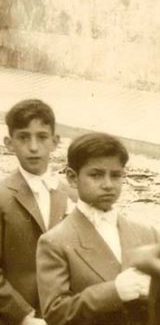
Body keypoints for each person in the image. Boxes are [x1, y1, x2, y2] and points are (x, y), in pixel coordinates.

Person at [37, 133, 159, 325]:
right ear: (72, 178)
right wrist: (114, 292)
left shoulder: (147, 233)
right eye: (96, 175)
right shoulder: (55, 241)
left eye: (116, 175)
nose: (108, 185)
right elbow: (55, 313)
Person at [0, 99, 72, 325]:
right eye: (24, 137)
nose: (33, 147)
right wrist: (23, 316)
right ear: (9, 143)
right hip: (11, 318)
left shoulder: (68, 194)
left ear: (55, 141)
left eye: (42, 137)